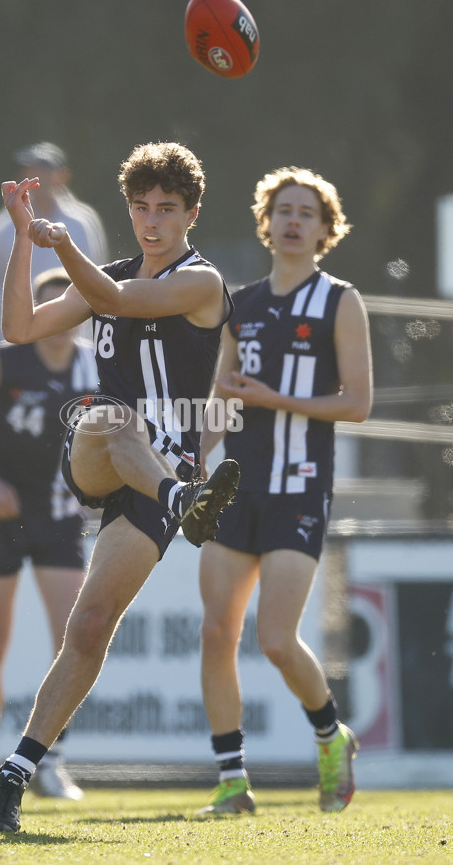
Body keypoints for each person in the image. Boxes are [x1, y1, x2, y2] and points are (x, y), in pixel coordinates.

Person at [0, 140, 240, 832]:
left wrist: (60, 244)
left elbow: (120, 298)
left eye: (168, 209)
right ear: (128, 207)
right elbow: (17, 327)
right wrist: (21, 236)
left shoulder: (203, 281)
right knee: (114, 416)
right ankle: (185, 501)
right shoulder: (106, 273)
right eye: (141, 207)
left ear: (190, 215)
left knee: (89, 628)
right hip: (106, 455)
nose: (152, 221)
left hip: (157, 475)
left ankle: (13, 777)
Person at [196, 167, 373, 816]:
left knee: (274, 638)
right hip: (237, 486)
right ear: (266, 222)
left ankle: (331, 736)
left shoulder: (339, 300)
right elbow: (225, 395)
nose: (294, 220)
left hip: (298, 486)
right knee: (217, 631)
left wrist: (277, 400)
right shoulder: (239, 304)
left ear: (327, 230)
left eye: (307, 212)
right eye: (284, 210)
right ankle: (232, 782)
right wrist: (192, 459)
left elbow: (357, 404)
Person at [0, 267, 98, 802]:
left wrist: (96, 490)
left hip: (60, 515)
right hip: (1, 513)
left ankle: (50, 761)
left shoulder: (96, 366)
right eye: (48, 308)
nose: (59, 321)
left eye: (70, 309)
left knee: (75, 640)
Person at [0, 141, 108, 343]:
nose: (39, 178)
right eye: (31, 170)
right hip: (17, 341)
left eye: (45, 171)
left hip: (70, 337)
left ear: (63, 176)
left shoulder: (82, 223)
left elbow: (95, 274)